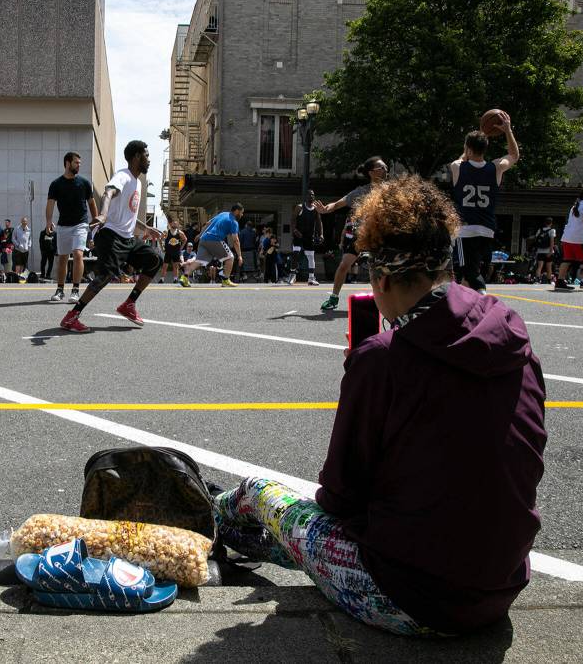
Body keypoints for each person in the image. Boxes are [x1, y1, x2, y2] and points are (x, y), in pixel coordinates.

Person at [215, 175, 546, 636]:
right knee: (287, 533)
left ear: (381, 277)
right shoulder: (515, 344)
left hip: (410, 599)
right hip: (499, 586)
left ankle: (205, 519)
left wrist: (364, 373)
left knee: (257, 494)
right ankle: (237, 536)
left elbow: (339, 496)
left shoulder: (384, 358)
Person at [59, 140, 162, 332]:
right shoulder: (122, 176)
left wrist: (146, 227)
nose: (149, 160)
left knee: (155, 259)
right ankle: (71, 317)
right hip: (110, 235)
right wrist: (103, 214)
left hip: (127, 238)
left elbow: (126, 213)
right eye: (146, 156)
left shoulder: (138, 183)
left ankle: (129, 305)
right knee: (106, 275)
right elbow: (108, 193)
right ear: (137, 157)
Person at [448, 115, 520, 294]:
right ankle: (469, 307)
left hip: (466, 228)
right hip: (487, 229)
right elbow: (514, 155)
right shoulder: (496, 167)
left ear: (467, 148)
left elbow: (462, 159)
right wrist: (508, 130)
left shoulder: (457, 167)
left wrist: (468, 147)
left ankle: (483, 297)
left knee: (469, 273)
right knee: (468, 274)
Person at [314, 156, 389, 309]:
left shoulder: (392, 191)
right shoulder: (361, 192)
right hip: (359, 234)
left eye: (385, 167)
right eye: (381, 167)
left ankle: (385, 302)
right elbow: (337, 204)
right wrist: (325, 209)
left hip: (379, 235)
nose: (385, 169)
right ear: (371, 173)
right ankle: (334, 298)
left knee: (380, 270)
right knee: (344, 265)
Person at [47, 151, 99, 303]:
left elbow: (91, 203)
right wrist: (48, 220)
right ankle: (60, 290)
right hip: (63, 225)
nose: (79, 165)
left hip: (81, 224)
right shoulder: (56, 184)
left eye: (80, 163)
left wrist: (95, 222)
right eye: (76, 162)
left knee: (78, 254)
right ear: (67, 163)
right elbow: (50, 204)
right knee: (62, 258)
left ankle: (75, 290)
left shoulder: (84, 183)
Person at [181, 203, 244, 287]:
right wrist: (239, 255)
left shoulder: (222, 214)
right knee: (230, 258)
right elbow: (235, 240)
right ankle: (225, 279)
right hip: (215, 239)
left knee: (199, 261)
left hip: (203, 239)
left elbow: (207, 223)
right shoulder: (234, 222)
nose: (242, 215)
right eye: (241, 212)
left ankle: (184, 277)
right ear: (236, 211)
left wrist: (200, 235)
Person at [555, 188, 583, 291]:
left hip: (567, 237)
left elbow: (580, 221)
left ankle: (560, 281)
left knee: (567, 260)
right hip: (580, 238)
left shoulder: (576, 206)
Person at [291, 192, 323, 286]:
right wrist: (294, 230)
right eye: (309, 194)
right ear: (305, 197)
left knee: (311, 257)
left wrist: (321, 234)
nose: (311, 196)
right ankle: (292, 275)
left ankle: (311, 278)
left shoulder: (315, 209)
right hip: (299, 235)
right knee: (295, 254)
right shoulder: (300, 207)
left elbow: (319, 222)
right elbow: (293, 219)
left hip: (309, 237)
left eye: (313, 195)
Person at [158, 219, 187, 284]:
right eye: (173, 223)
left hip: (176, 252)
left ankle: (175, 279)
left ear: (177, 225)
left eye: (176, 223)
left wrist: (181, 248)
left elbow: (185, 239)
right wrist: (162, 248)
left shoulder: (179, 232)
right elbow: (160, 239)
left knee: (175, 266)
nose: (174, 224)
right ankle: (162, 279)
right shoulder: (166, 232)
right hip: (168, 252)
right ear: (171, 224)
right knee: (165, 266)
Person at [531, 217, 557, 283]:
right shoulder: (552, 230)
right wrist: (551, 251)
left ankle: (537, 279)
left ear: (545, 223)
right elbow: (552, 241)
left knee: (539, 266)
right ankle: (549, 280)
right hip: (548, 251)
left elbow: (535, 239)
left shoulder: (540, 230)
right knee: (549, 267)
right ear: (551, 223)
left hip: (540, 251)